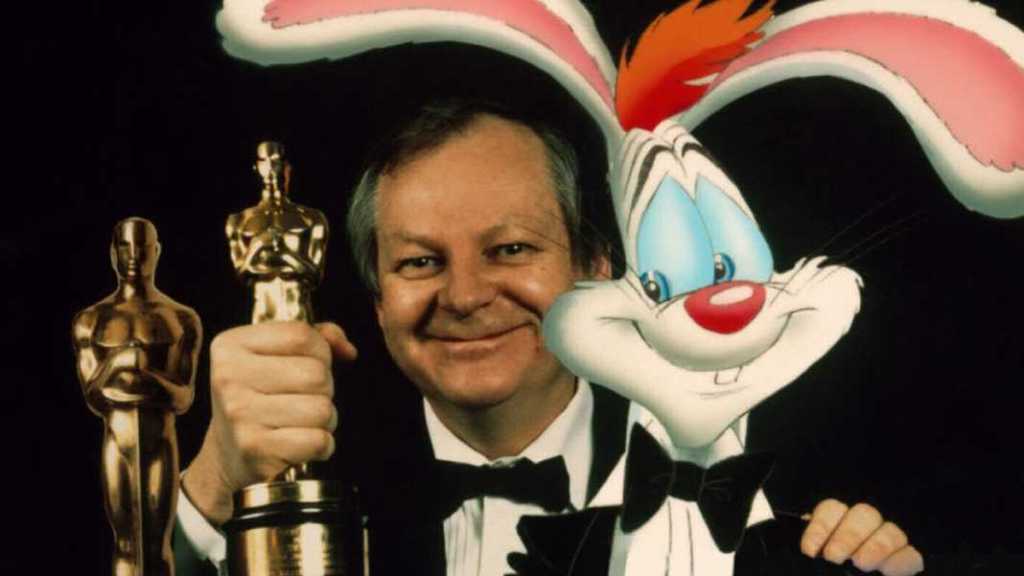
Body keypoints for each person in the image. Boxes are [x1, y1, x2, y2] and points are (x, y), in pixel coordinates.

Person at [175, 99, 923, 575]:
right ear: (377, 301)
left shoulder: (736, 480)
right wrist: (211, 486)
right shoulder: (310, 484)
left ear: (594, 271)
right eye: (420, 262)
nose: (465, 296)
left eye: (510, 250)